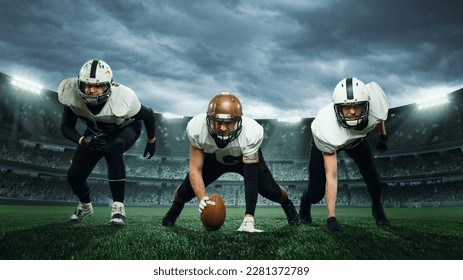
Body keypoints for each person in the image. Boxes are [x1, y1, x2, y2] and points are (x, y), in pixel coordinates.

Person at [162, 92, 300, 232]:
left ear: (239, 120)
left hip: (242, 159)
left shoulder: (251, 132)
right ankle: (175, 209)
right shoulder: (198, 129)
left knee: (271, 190)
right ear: (208, 119)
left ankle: (288, 206)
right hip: (213, 159)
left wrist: (249, 217)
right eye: (218, 122)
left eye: (228, 123)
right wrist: (202, 197)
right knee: (185, 191)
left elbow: (251, 178)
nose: (222, 128)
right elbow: (194, 169)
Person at [58, 59, 157, 227]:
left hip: (125, 126)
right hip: (96, 131)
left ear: (109, 86)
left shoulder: (124, 98)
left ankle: (118, 208)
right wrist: (82, 140)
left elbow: (148, 115)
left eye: (97, 86)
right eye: (86, 85)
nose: (90, 90)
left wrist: (151, 140)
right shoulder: (70, 92)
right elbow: (66, 126)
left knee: (113, 148)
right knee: (74, 175)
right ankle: (85, 205)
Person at [299, 77, 390, 232]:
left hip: (357, 141)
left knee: (374, 180)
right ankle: (305, 201)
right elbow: (331, 176)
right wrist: (331, 217)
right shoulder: (327, 128)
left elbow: (379, 117)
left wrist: (382, 137)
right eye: (347, 107)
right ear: (337, 108)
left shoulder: (376, 102)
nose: (353, 111)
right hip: (330, 141)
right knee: (316, 194)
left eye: (357, 106)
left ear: (367, 104)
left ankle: (377, 207)